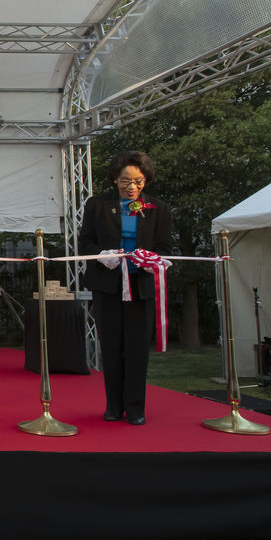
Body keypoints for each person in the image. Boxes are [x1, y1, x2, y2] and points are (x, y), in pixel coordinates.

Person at [78, 151, 173, 425]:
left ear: (146, 181)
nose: (131, 187)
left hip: (141, 285)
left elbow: (165, 249)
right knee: (111, 346)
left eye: (138, 181)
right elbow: (86, 243)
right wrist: (102, 255)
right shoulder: (97, 205)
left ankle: (135, 408)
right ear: (115, 179)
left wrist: (151, 261)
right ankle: (113, 406)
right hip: (108, 285)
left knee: (137, 348)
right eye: (125, 180)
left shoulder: (159, 208)